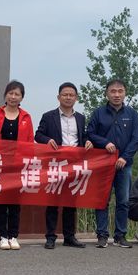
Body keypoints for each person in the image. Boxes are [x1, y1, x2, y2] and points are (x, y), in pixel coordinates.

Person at [34, 82, 93, 249]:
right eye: (65, 94)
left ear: (76, 98)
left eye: (71, 95)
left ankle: (69, 237)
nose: (68, 97)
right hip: (56, 163)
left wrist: (88, 141)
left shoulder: (80, 118)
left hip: (74, 164)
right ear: (58, 97)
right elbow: (38, 135)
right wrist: (47, 140)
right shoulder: (48, 116)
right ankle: (50, 237)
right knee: (53, 201)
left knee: (71, 202)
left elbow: (83, 136)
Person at [87, 79, 138, 248]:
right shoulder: (98, 113)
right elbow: (90, 134)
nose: (116, 94)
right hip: (102, 165)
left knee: (123, 201)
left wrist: (124, 157)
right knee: (102, 200)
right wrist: (104, 143)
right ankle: (102, 235)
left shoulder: (132, 114)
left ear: (125, 93)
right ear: (106, 93)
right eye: (113, 91)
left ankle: (120, 236)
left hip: (124, 165)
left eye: (120, 91)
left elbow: (136, 139)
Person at [0, 80, 34, 251]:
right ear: (5, 95)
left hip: (17, 166)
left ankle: (13, 236)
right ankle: (3, 236)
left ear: (22, 98)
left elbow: (30, 142)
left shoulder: (26, 117)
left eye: (17, 94)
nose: (13, 97)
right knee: (1, 202)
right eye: (10, 93)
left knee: (15, 203)